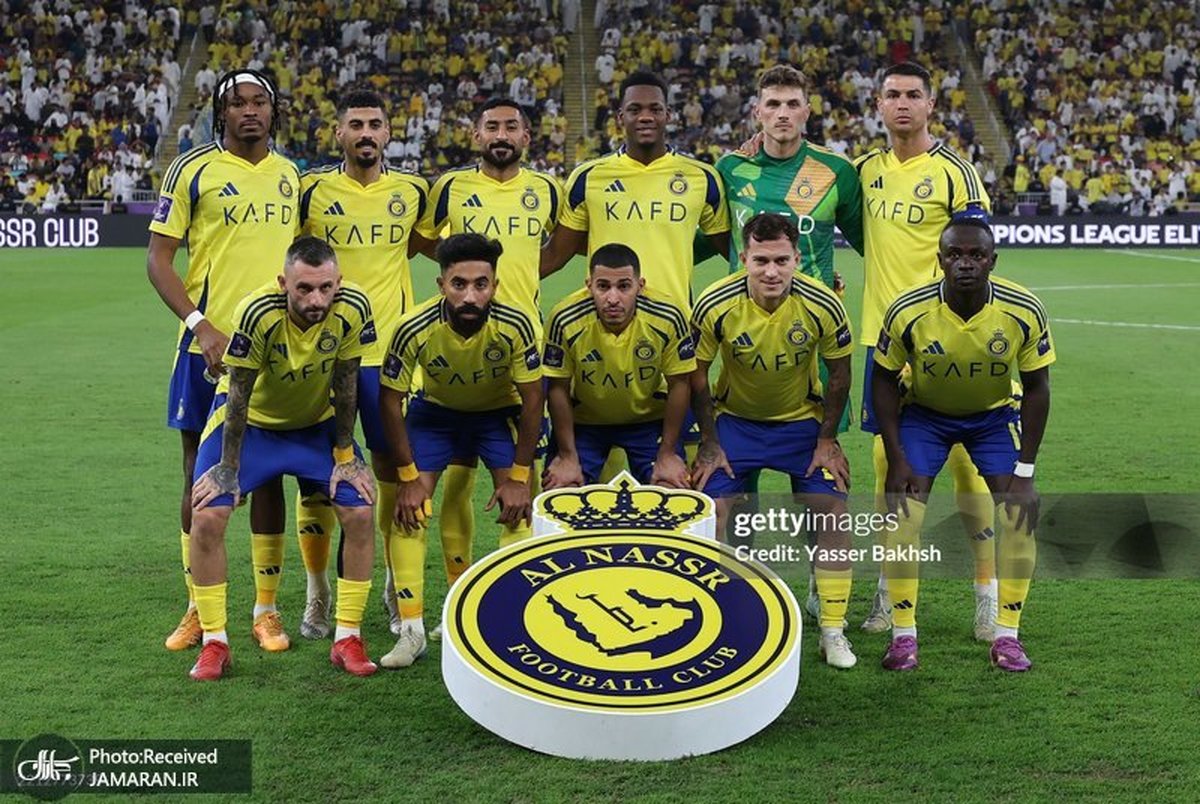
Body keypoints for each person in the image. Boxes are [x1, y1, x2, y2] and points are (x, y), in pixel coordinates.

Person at [147, 69, 299, 655]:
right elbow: (158, 259)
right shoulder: (192, 169)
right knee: (197, 471)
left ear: (273, 111)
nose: (249, 110)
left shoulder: (291, 175)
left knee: (267, 474)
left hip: (273, 350)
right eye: (237, 103)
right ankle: (197, 605)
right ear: (221, 113)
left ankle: (266, 609)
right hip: (204, 350)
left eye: (259, 101)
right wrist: (201, 325)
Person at [186, 237, 380, 681]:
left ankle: (348, 637)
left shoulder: (353, 307)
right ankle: (215, 643)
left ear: (338, 282)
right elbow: (239, 391)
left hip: (315, 426)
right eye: (304, 289)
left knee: (360, 510)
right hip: (252, 425)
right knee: (208, 515)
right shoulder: (257, 311)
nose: (317, 300)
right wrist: (228, 469)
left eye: (326, 288)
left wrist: (346, 454)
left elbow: (347, 381)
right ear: (283, 283)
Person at [855, 61, 999, 639]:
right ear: (878, 104)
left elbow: (978, 253)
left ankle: (987, 595)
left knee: (968, 470)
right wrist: (758, 144)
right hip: (884, 342)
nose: (903, 103)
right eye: (892, 94)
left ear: (931, 105)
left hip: (947, 342)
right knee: (889, 469)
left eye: (913, 94)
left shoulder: (956, 173)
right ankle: (888, 595)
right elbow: (805, 197)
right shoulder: (863, 171)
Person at [411, 97, 563, 639]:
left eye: (511, 127)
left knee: (522, 485)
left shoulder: (547, 189)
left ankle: (511, 604)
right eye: (491, 126)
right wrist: (465, 286)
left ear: (527, 136)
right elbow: (422, 240)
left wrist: (522, 278)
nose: (501, 134)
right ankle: (458, 600)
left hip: (522, 352)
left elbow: (565, 244)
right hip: (460, 348)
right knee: (456, 483)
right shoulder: (450, 187)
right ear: (475, 135)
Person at [872, 218, 1053, 672]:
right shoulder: (908, 310)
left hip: (992, 419)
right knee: (903, 515)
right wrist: (896, 457)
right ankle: (903, 636)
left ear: (993, 261)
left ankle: (1007, 637)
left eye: (976, 255)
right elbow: (882, 380)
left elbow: (1037, 388)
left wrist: (1026, 472)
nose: (965, 264)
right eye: (955, 255)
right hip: (925, 418)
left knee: (1019, 516)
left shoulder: (1023, 309)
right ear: (940, 260)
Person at [718, 63, 865, 618]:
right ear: (757, 110)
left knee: (818, 482)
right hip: (741, 340)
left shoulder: (836, 172)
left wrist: (829, 283)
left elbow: (868, 240)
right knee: (737, 486)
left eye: (792, 104)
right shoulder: (729, 168)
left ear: (808, 110)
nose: (782, 114)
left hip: (814, 343)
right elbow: (711, 239)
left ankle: (822, 592)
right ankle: (744, 590)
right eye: (773, 104)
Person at [294, 86, 435, 641]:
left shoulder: (413, 191)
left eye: (375, 124)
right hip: (322, 356)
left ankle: (394, 587)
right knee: (315, 479)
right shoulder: (312, 190)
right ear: (339, 133)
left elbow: (428, 247)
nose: (366, 133)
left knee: (392, 473)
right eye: (356, 125)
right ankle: (317, 593)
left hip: (388, 357)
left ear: (389, 133)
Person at [690, 213, 858, 669]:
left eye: (781, 260)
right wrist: (709, 442)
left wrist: (827, 440)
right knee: (713, 512)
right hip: (735, 423)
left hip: (801, 423)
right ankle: (724, 615)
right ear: (743, 258)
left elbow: (840, 373)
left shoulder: (823, 304)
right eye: (761, 260)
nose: (771, 271)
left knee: (832, 510)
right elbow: (696, 374)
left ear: (797, 259)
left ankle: (832, 630)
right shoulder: (714, 303)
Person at [378, 233, 544, 669]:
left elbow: (533, 400)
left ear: (495, 285)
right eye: (459, 284)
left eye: (481, 284)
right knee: (409, 509)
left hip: (497, 415)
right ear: (441, 285)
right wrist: (407, 477)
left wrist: (520, 477)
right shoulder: (413, 327)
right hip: (437, 414)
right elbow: (389, 401)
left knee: (520, 509)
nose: (470, 296)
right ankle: (411, 631)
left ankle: (511, 621)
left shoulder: (517, 325)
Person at [541, 70, 731, 313]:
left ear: (668, 115)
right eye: (635, 109)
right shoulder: (588, 177)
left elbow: (734, 252)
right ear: (621, 117)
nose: (645, 117)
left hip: (674, 321)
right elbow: (556, 254)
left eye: (655, 109)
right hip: (608, 319)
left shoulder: (702, 177)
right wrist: (499, 279)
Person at [542, 243, 693, 489]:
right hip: (585, 423)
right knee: (562, 491)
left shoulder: (668, 316)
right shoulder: (564, 318)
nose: (613, 299)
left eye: (624, 286)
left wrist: (667, 453)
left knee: (670, 489)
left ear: (640, 286)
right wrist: (568, 455)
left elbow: (680, 384)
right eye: (603, 286)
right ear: (589, 285)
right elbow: (558, 387)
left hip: (648, 420)